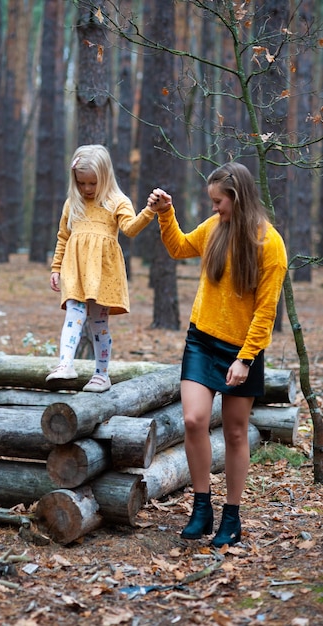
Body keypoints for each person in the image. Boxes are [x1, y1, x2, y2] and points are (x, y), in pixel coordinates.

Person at [147, 162, 287, 547]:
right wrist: (165, 214)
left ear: (237, 199)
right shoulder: (214, 230)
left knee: (236, 432)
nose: (214, 209)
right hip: (202, 339)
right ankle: (201, 507)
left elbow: (266, 310)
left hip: (244, 349)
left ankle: (232, 516)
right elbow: (178, 247)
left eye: (218, 202)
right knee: (193, 420)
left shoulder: (270, 244)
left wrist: (245, 359)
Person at [46, 144, 156, 392]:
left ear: (105, 178)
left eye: (92, 183)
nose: (87, 188)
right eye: (81, 183)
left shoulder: (117, 202)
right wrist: (56, 268)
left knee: (98, 322)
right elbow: (63, 236)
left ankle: (101, 374)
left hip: (103, 271)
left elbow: (130, 229)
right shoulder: (72, 203)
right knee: (74, 312)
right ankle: (65, 364)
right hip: (76, 269)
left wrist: (149, 212)